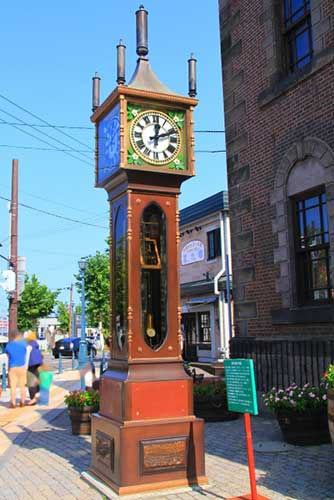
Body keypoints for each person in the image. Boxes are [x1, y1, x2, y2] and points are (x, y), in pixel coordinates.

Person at [5, 331, 27, 408]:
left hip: (13, 367)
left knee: (13, 386)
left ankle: (13, 403)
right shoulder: (23, 345)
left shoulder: (9, 346)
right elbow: (25, 354)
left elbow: (8, 355)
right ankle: (22, 402)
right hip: (22, 367)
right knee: (22, 386)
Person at [26, 331, 43, 405]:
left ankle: (33, 398)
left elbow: (27, 356)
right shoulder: (36, 344)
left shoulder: (28, 345)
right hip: (38, 363)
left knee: (31, 381)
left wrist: (25, 366)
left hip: (31, 364)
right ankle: (38, 394)